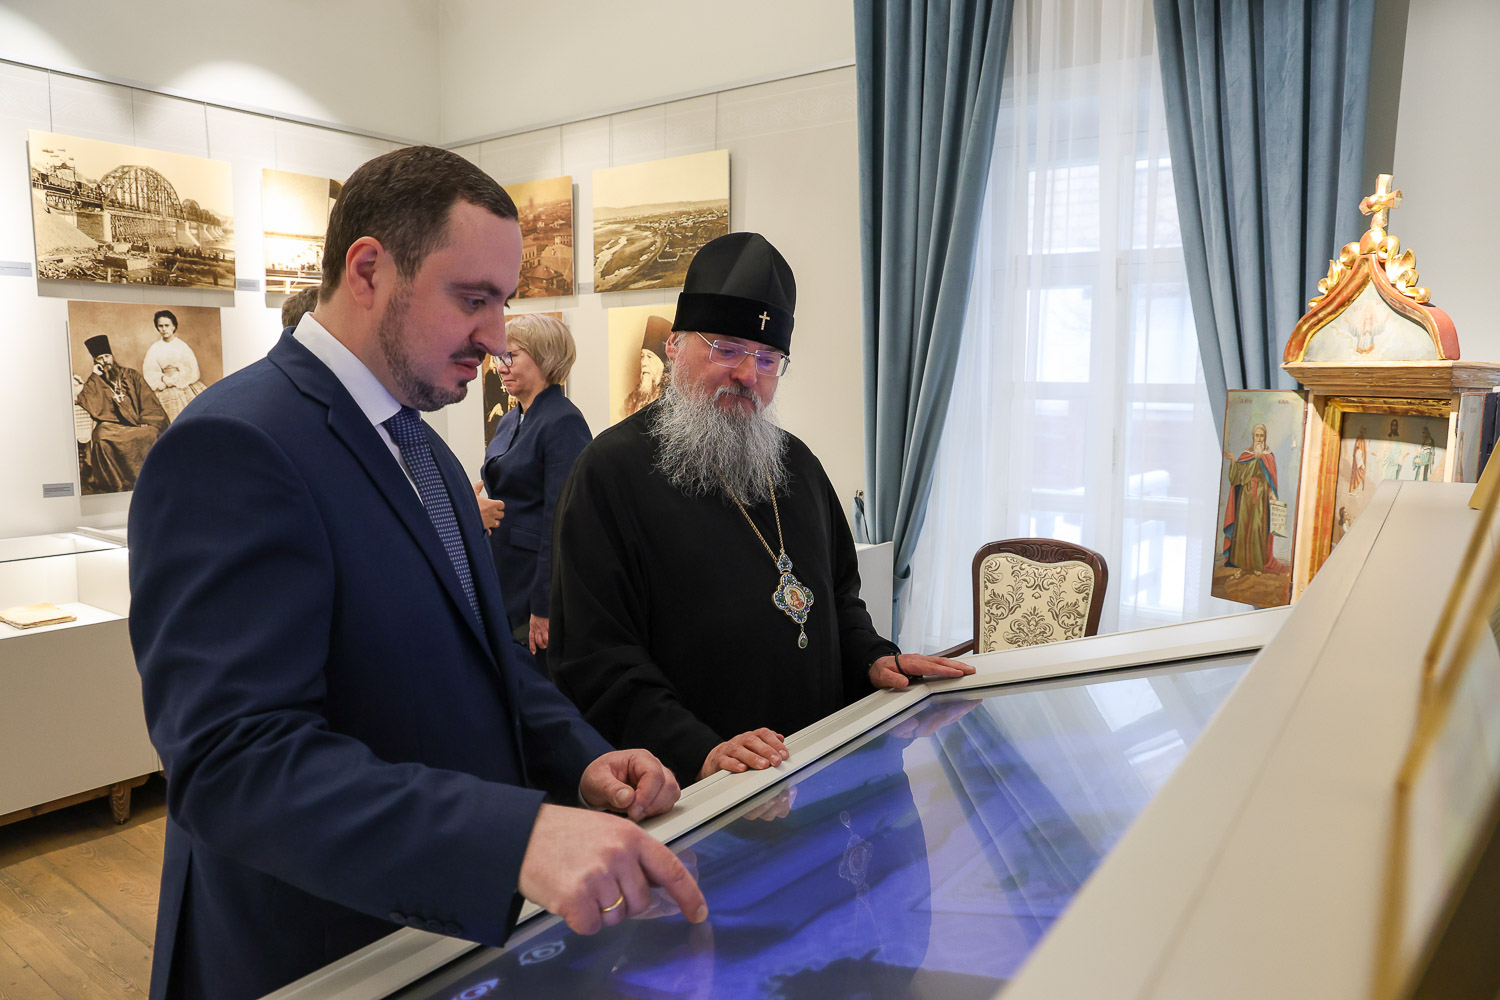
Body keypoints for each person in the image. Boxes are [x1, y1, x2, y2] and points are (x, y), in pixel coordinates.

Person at [128, 146, 705, 1000]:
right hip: (318, 956)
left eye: (503, 303)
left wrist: (583, 759)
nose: (497, 338)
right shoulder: (234, 445)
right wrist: (514, 839)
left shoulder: (422, 447)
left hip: (437, 938)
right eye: (473, 299)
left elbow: (483, 657)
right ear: (369, 270)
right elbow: (233, 762)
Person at [548, 232, 972, 787]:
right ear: (674, 346)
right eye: (726, 349)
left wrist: (873, 658)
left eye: (768, 359)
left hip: (816, 768)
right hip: (706, 789)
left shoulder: (798, 465)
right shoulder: (609, 472)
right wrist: (700, 749)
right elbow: (597, 656)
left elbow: (838, 600)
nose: (748, 375)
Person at [481, 313, 592, 653]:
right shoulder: (511, 419)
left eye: (510, 356)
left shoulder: (563, 421)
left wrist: (544, 606)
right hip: (503, 575)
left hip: (533, 587)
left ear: (544, 357)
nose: (501, 367)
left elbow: (561, 521)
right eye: (499, 358)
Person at [74, 334, 169, 493]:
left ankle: (149, 479)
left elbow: (148, 400)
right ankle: (117, 484)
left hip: (138, 423)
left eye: (107, 356)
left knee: (151, 433)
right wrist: (95, 376)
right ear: (95, 362)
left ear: (112, 356)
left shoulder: (131, 375)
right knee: (101, 436)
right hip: (114, 427)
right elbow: (88, 400)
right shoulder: (96, 380)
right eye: (100, 358)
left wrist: (146, 420)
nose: (105, 361)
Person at [1221, 423, 1284, 577]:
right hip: (1245, 496)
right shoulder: (1246, 455)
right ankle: (1242, 567)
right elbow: (1236, 478)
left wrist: (1272, 494)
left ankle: (1257, 565)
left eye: (1262, 436)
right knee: (1243, 528)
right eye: (1257, 436)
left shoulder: (1269, 456)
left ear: (1265, 437)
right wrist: (1233, 461)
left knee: (1257, 529)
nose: (1259, 439)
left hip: (1261, 497)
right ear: (1253, 437)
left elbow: (1271, 481)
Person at [142, 309, 208, 422]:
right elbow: (150, 370)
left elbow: (190, 369)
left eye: (167, 325)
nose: (164, 329)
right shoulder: (154, 348)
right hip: (164, 386)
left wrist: (175, 380)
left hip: (182, 384)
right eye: (160, 326)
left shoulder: (182, 346)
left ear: (173, 326)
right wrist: (163, 379)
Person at [623, 345, 665, 416]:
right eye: (642, 356)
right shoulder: (633, 398)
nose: (643, 363)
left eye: (649, 357)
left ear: (661, 364)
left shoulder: (669, 395)